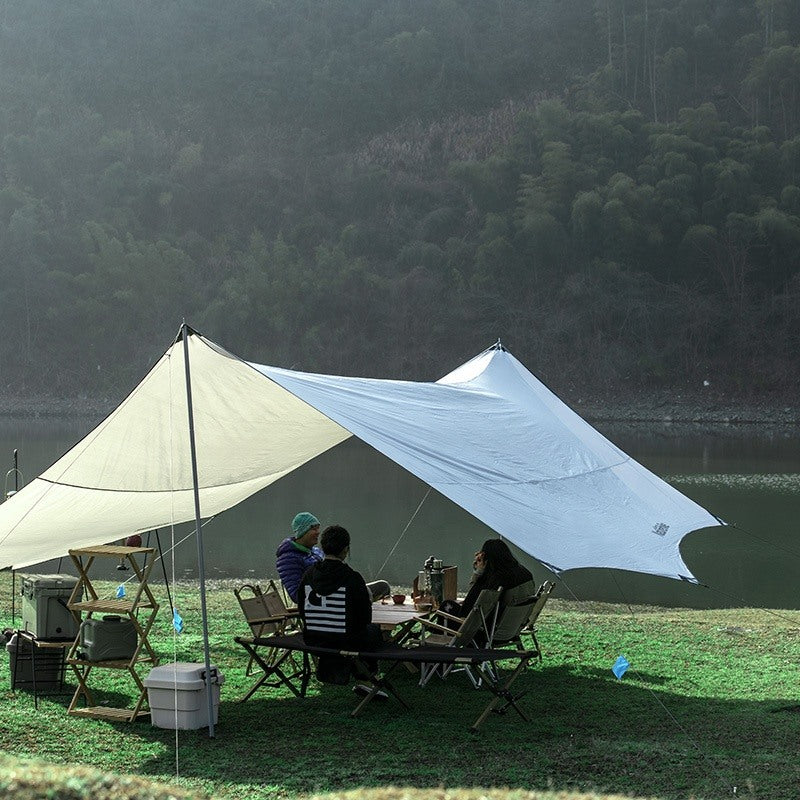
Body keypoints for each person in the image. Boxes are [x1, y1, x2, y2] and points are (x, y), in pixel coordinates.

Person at [297, 524, 385, 693]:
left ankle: (360, 677)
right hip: (345, 640)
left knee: (360, 632)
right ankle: (366, 678)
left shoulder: (308, 575)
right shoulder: (352, 578)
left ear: (323, 547)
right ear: (345, 549)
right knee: (372, 631)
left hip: (314, 639)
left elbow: (302, 609)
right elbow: (364, 618)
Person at [439, 538, 535, 623]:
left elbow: (470, 603)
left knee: (446, 605)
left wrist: (478, 572)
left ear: (487, 558)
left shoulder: (496, 579)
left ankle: (437, 635)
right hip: (512, 625)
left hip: (483, 629)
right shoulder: (525, 573)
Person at [275, 511, 324, 604]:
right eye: (314, 529)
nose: (318, 532)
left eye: (318, 528)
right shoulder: (288, 559)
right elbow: (297, 595)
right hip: (314, 607)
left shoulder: (316, 551)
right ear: (302, 532)